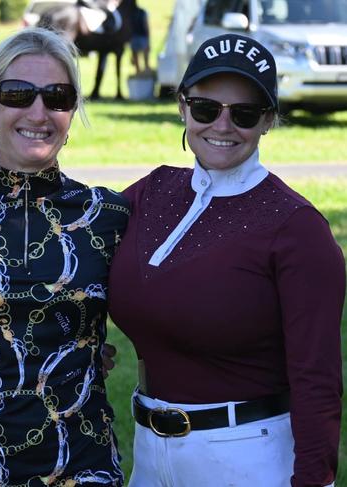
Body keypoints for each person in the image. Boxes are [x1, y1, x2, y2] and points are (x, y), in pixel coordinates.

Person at [109, 33, 345, 486]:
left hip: (248, 457)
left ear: (268, 121)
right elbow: (66, 238)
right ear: (182, 107)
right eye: (205, 108)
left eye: (244, 113)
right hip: (148, 453)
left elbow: (317, 380)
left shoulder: (297, 229)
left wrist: (316, 479)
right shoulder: (151, 192)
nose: (222, 125)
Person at [0, 27, 130, 486]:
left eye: (57, 96)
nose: (38, 112)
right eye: (17, 94)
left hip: (82, 465)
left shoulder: (109, 216)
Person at [128, 0, 149, 74]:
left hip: (134, 37)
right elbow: (146, 26)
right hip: (142, 37)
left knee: (136, 56)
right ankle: (145, 69)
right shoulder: (143, 12)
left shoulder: (129, 14)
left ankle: (139, 72)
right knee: (145, 56)